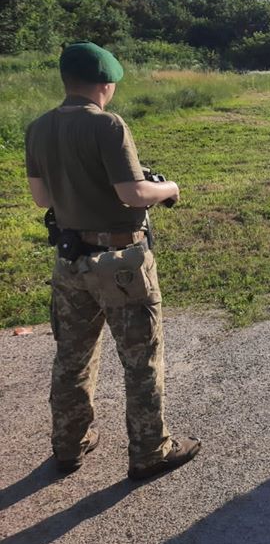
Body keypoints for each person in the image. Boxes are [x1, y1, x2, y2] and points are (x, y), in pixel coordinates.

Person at [24, 42, 201, 479]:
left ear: (66, 81)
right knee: (141, 360)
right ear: (107, 83)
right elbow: (132, 194)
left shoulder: (38, 128)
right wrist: (169, 188)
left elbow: (41, 197)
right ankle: (150, 450)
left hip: (70, 262)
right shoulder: (108, 126)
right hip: (120, 262)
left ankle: (70, 443)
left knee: (73, 356)